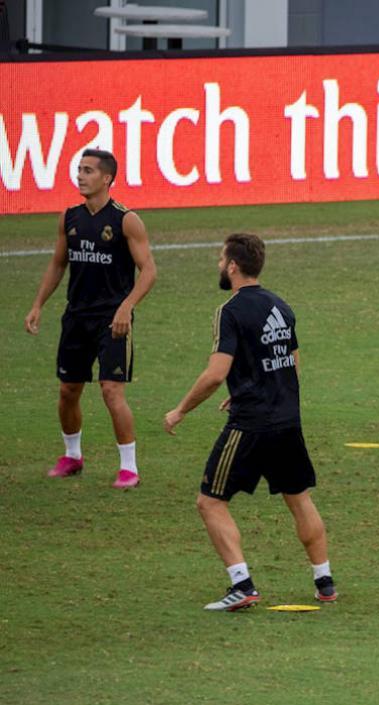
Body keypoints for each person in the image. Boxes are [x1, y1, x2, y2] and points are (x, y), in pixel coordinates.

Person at [164, 234, 336, 612]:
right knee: (299, 498)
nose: (218, 264)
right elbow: (291, 363)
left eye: (220, 258)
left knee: (210, 502)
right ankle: (324, 582)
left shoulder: (230, 311)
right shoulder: (282, 305)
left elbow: (214, 374)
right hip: (287, 418)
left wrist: (180, 410)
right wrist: (252, 385)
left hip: (251, 424)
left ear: (233, 266)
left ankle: (242, 584)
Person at [24, 149, 157, 489]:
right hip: (76, 319)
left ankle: (129, 467)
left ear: (107, 178)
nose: (80, 175)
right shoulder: (69, 217)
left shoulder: (126, 220)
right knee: (68, 390)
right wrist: (38, 304)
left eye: (88, 170)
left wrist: (126, 306)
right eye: (79, 169)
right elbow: (58, 264)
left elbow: (149, 271)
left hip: (113, 321)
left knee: (112, 391)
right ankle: (72, 456)